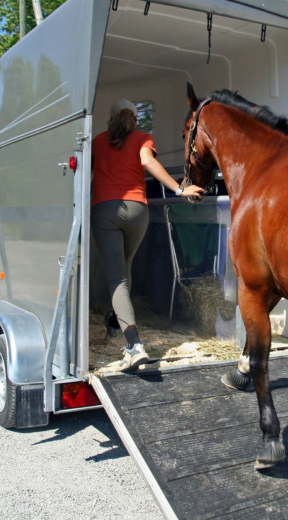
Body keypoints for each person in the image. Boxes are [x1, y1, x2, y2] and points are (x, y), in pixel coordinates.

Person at [91, 98, 205, 371]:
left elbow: (91, 177)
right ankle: (114, 318)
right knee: (126, 268)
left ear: (111, 119)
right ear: (134, 119)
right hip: (137, 211)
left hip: (105, 209)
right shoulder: (143, 138)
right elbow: (147, 162)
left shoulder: (97, 142)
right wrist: (179, 189)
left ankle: (134, 346)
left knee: (117, 278)